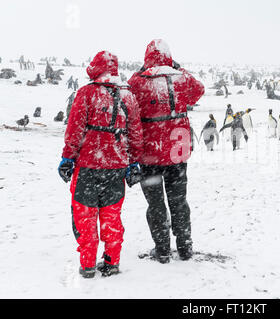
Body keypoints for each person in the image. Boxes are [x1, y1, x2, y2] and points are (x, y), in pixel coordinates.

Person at [59, 51, 144, 278]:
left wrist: (68, 158)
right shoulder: (128, 98)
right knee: (111, 217)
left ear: (95, 68)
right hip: (115, 168)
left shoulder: (87, 93)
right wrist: (133, 162)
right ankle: (112, 262)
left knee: (85, 218)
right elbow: (135, 134)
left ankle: (87, 266)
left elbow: (75, 129)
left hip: (87, 166)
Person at [128, 40, 205, 264]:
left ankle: (162, 250)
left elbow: (130, 103)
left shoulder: (138, 82)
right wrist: (179, 69)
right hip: (177, 153)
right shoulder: (181, 79)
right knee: (179, 200)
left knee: (156, 203)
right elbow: (198, 90)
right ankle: (185, 246)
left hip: (150, 154)